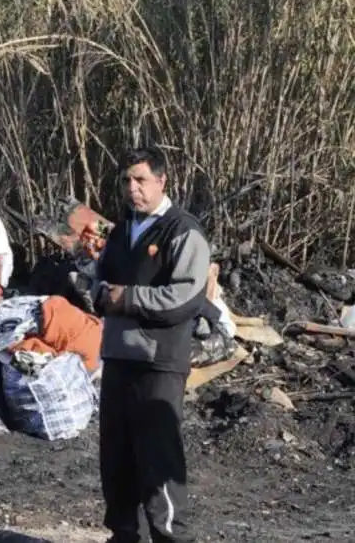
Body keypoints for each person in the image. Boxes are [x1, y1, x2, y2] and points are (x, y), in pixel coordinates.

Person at [92, 147, 210, 543]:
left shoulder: (182, 230)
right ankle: (124, 536)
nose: (132, 188)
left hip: (159, 362)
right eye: (127, 180)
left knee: (158, 462)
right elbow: (100, 279)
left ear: (162, 181)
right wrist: (96, 292)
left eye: (141, 180)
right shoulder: (122, 230)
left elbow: (185, 297)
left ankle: (170, 538)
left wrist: (128, 299)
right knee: (117, 458)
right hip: (118, 357)